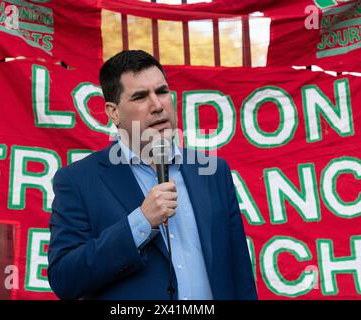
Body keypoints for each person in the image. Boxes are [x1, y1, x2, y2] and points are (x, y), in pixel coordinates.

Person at [47, 50, 257, 300]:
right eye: (140, 96)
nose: (157, 105)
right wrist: (140, 223)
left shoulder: (213, 171)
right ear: (113, 112)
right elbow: (65, 278)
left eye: (162, 91)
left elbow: (239, 272)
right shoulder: (78, 181)